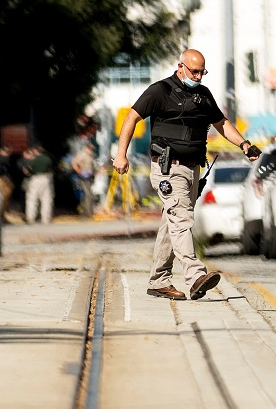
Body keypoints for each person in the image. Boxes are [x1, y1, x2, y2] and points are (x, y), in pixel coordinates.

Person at [113, 49, 260, 301]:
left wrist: (244, 144)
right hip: (168, 169)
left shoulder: (203, 95)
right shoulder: (160, 91)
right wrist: (121, 154)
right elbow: (131, 118)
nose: (198, 77)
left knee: (171, 223)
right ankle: (195, 276)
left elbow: (221, 123)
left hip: (193, 169)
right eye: (194, 72)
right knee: (181, 220)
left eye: (202, 72)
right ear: (180, 66)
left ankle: (158, 280)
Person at [24, 144, 54, 224]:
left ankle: (30, 217)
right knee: (46, 199)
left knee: (32, 198)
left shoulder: (33, 159)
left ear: (36, 151)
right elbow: (50, 169)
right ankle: (45, 218)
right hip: (46, 178)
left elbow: (28, 170)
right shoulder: (48, 159)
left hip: (35, 178)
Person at [71, 142, 96, 217]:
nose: (91, 150)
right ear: (86, 148)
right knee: (87, 195)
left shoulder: (91, 155)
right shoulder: (81, 155)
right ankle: (86, 212)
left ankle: (89, 212)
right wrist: (80, 172)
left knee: (89, 194)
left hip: (89, 177)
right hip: (83, 177)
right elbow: (74, 164)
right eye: (90, 149)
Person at [0, 145, 15, 220]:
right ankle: (1, 215)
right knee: (3, 198)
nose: (8, 154)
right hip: (2, 180)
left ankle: (0, 215)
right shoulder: (3, 159)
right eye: (7, 152)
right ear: (1, 151)